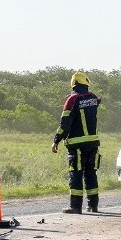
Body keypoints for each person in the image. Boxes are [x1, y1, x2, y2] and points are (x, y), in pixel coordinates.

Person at [51, 71, 101, 213]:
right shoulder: (93, 98)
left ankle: (75, 206)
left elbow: (65, 123)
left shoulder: (72, 100)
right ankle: (93, 205)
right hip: (93, 144)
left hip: (77, 145)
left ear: (74, 84)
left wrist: (56, 140)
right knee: (91, 173)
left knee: (76, 173)